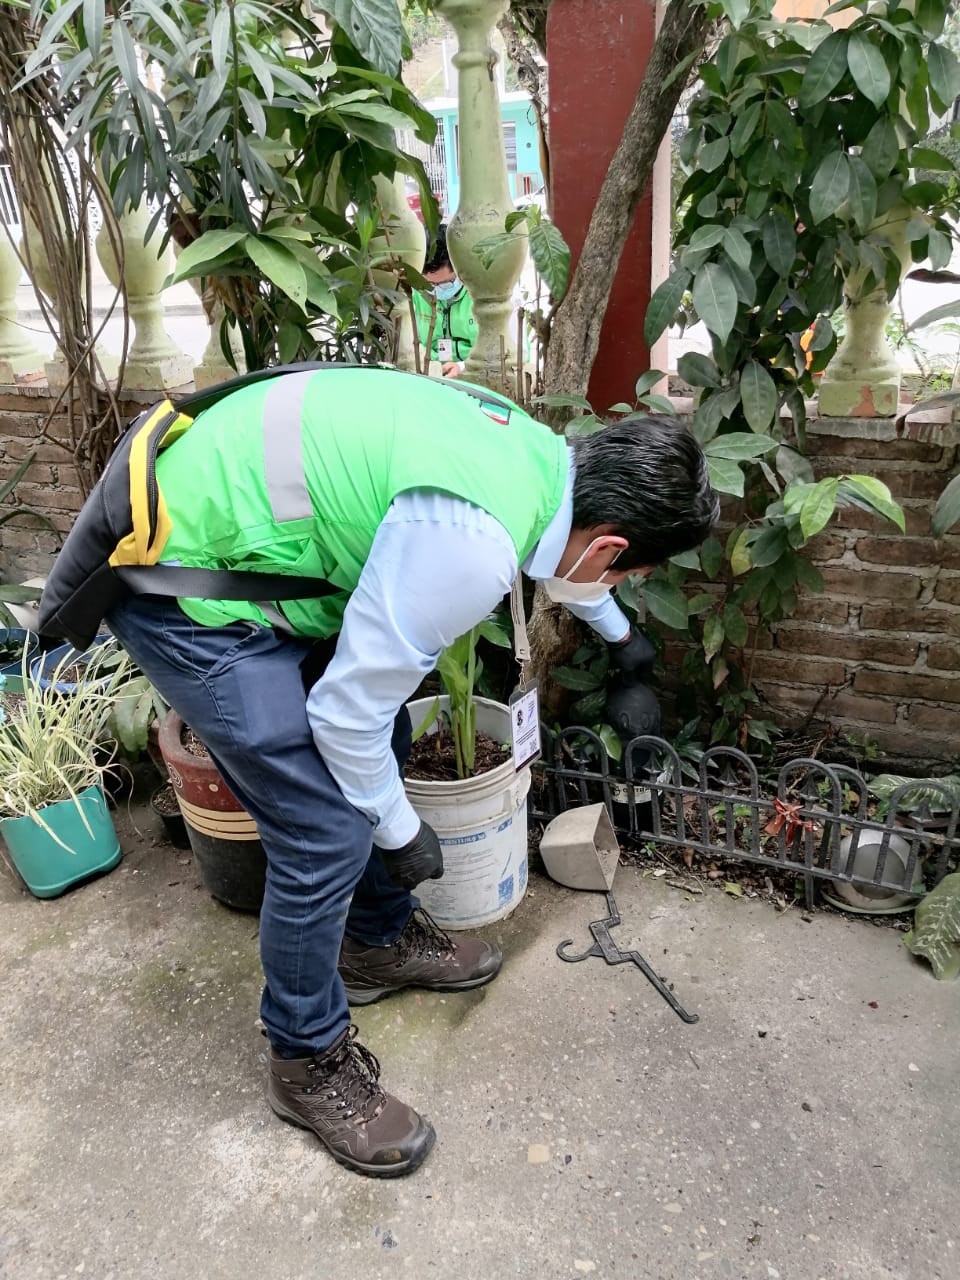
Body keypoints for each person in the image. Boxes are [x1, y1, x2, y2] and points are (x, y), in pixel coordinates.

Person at [40, 365, 719, 1179]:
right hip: (180, 576)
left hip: (234, 524)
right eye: (626, 576)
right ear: (610, 543)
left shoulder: (538, 455)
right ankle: (305, 1060)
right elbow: (339, 717)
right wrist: (403, 836)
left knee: (386, 736)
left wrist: (619, 634)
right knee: (323, 827)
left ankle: (374, 940)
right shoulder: (472, 544)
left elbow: (571, 563)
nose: (616, 584)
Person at [412, 223, 477, 377]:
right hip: (434, 377)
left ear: (459, 269)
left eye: (444, 284)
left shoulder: (481, 293)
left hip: (476, 377)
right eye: (430, 284)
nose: (436, 290)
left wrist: (462, 367)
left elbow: (509, 352)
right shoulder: (415, 293)